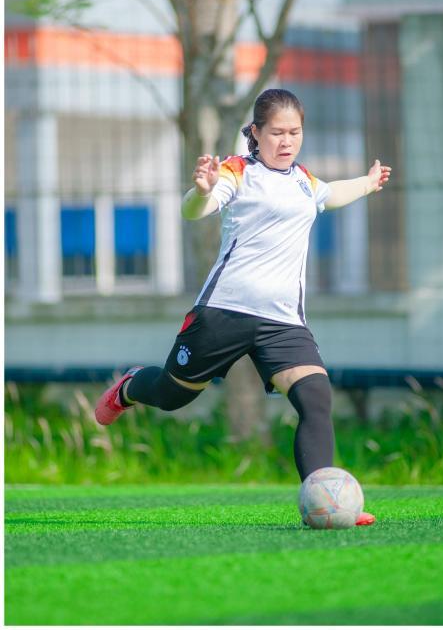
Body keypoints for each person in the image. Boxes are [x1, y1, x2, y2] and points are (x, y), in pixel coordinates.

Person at [95, 88, 391, 526]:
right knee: (173, 397)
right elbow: (196, 210)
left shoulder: (304, 181)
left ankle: (324, 501)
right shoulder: (237, 172)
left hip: (283, 323)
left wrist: (366, 183)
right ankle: (132, 386)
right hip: (223, 314)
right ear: (255, 133)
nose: (286, 141)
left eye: (295, 132)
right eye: (277, 132)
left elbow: (331, 194)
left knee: (316, 397)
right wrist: (201, 190)